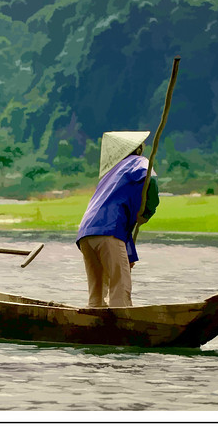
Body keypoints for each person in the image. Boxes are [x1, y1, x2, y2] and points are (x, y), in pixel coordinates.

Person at [74, 131, 160, 308]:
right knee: (120, 287)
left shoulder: (111, 173)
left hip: (85, 234)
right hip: (109, 232)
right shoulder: (140, 162)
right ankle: (122, 325)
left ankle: (94, 324)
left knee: (96, 293)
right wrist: (146, 213)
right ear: (138, 149)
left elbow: (115, 214)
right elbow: (151, 183)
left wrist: (128, 256)